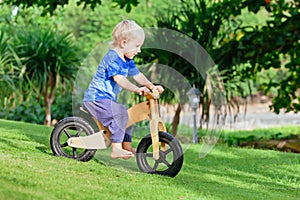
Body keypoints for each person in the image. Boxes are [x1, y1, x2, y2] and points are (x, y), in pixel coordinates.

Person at [83, 20, 164, 159]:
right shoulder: (113, 58)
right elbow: (119, 79)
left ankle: (126, 148)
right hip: (96, 99)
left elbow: (137, 75)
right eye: (137, 46)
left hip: (104, 99)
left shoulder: (126, 60)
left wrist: (151, 86)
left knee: (129, 116)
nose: (139, 50)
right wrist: (137, 90)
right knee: (120, 114)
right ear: (124, 43)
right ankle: (116, 149)